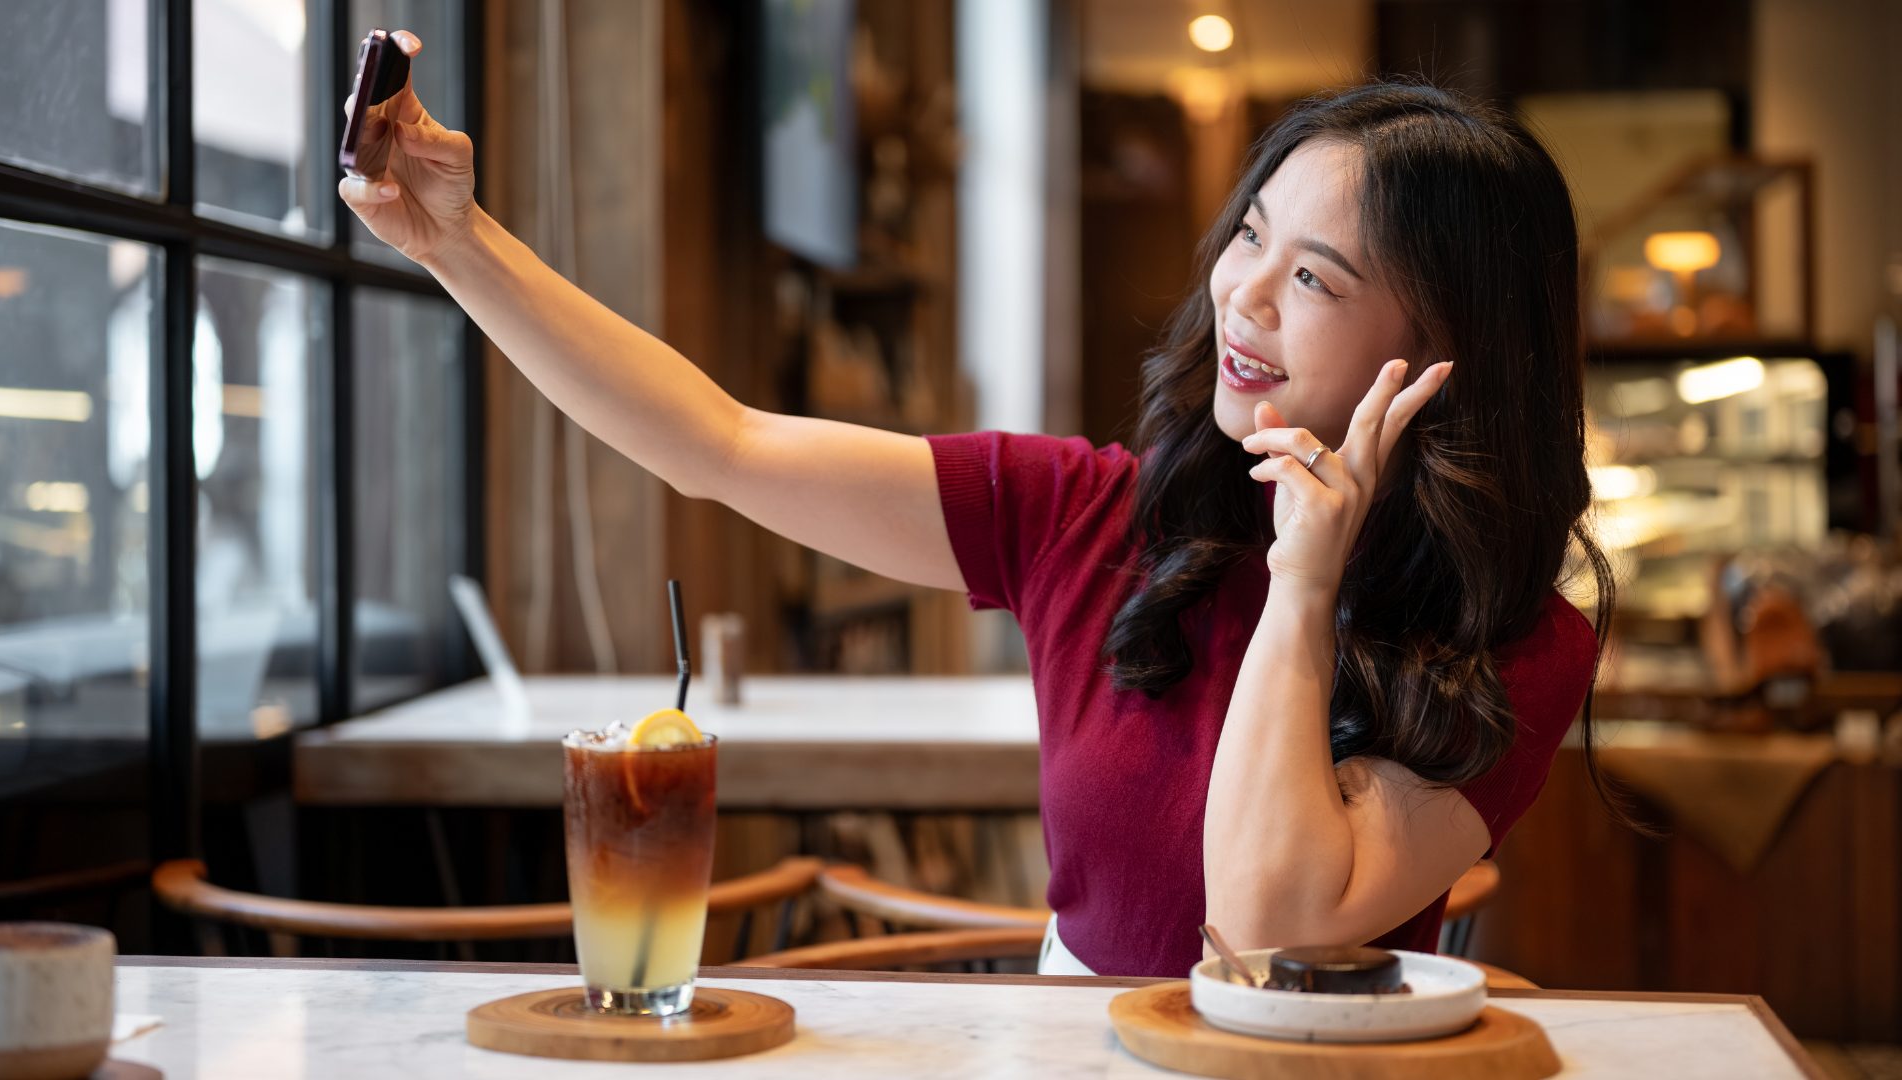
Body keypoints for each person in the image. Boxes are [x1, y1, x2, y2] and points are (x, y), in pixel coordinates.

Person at [344, 30, 1613, 979]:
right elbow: (714, 443)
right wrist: (460, 244)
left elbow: (1266, 922)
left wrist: (1306, 580)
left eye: (1317, 278)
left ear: (1445, 351)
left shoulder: (1514, 645)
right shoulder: (1085, 517)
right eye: (1250, 238)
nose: (1246, 295)